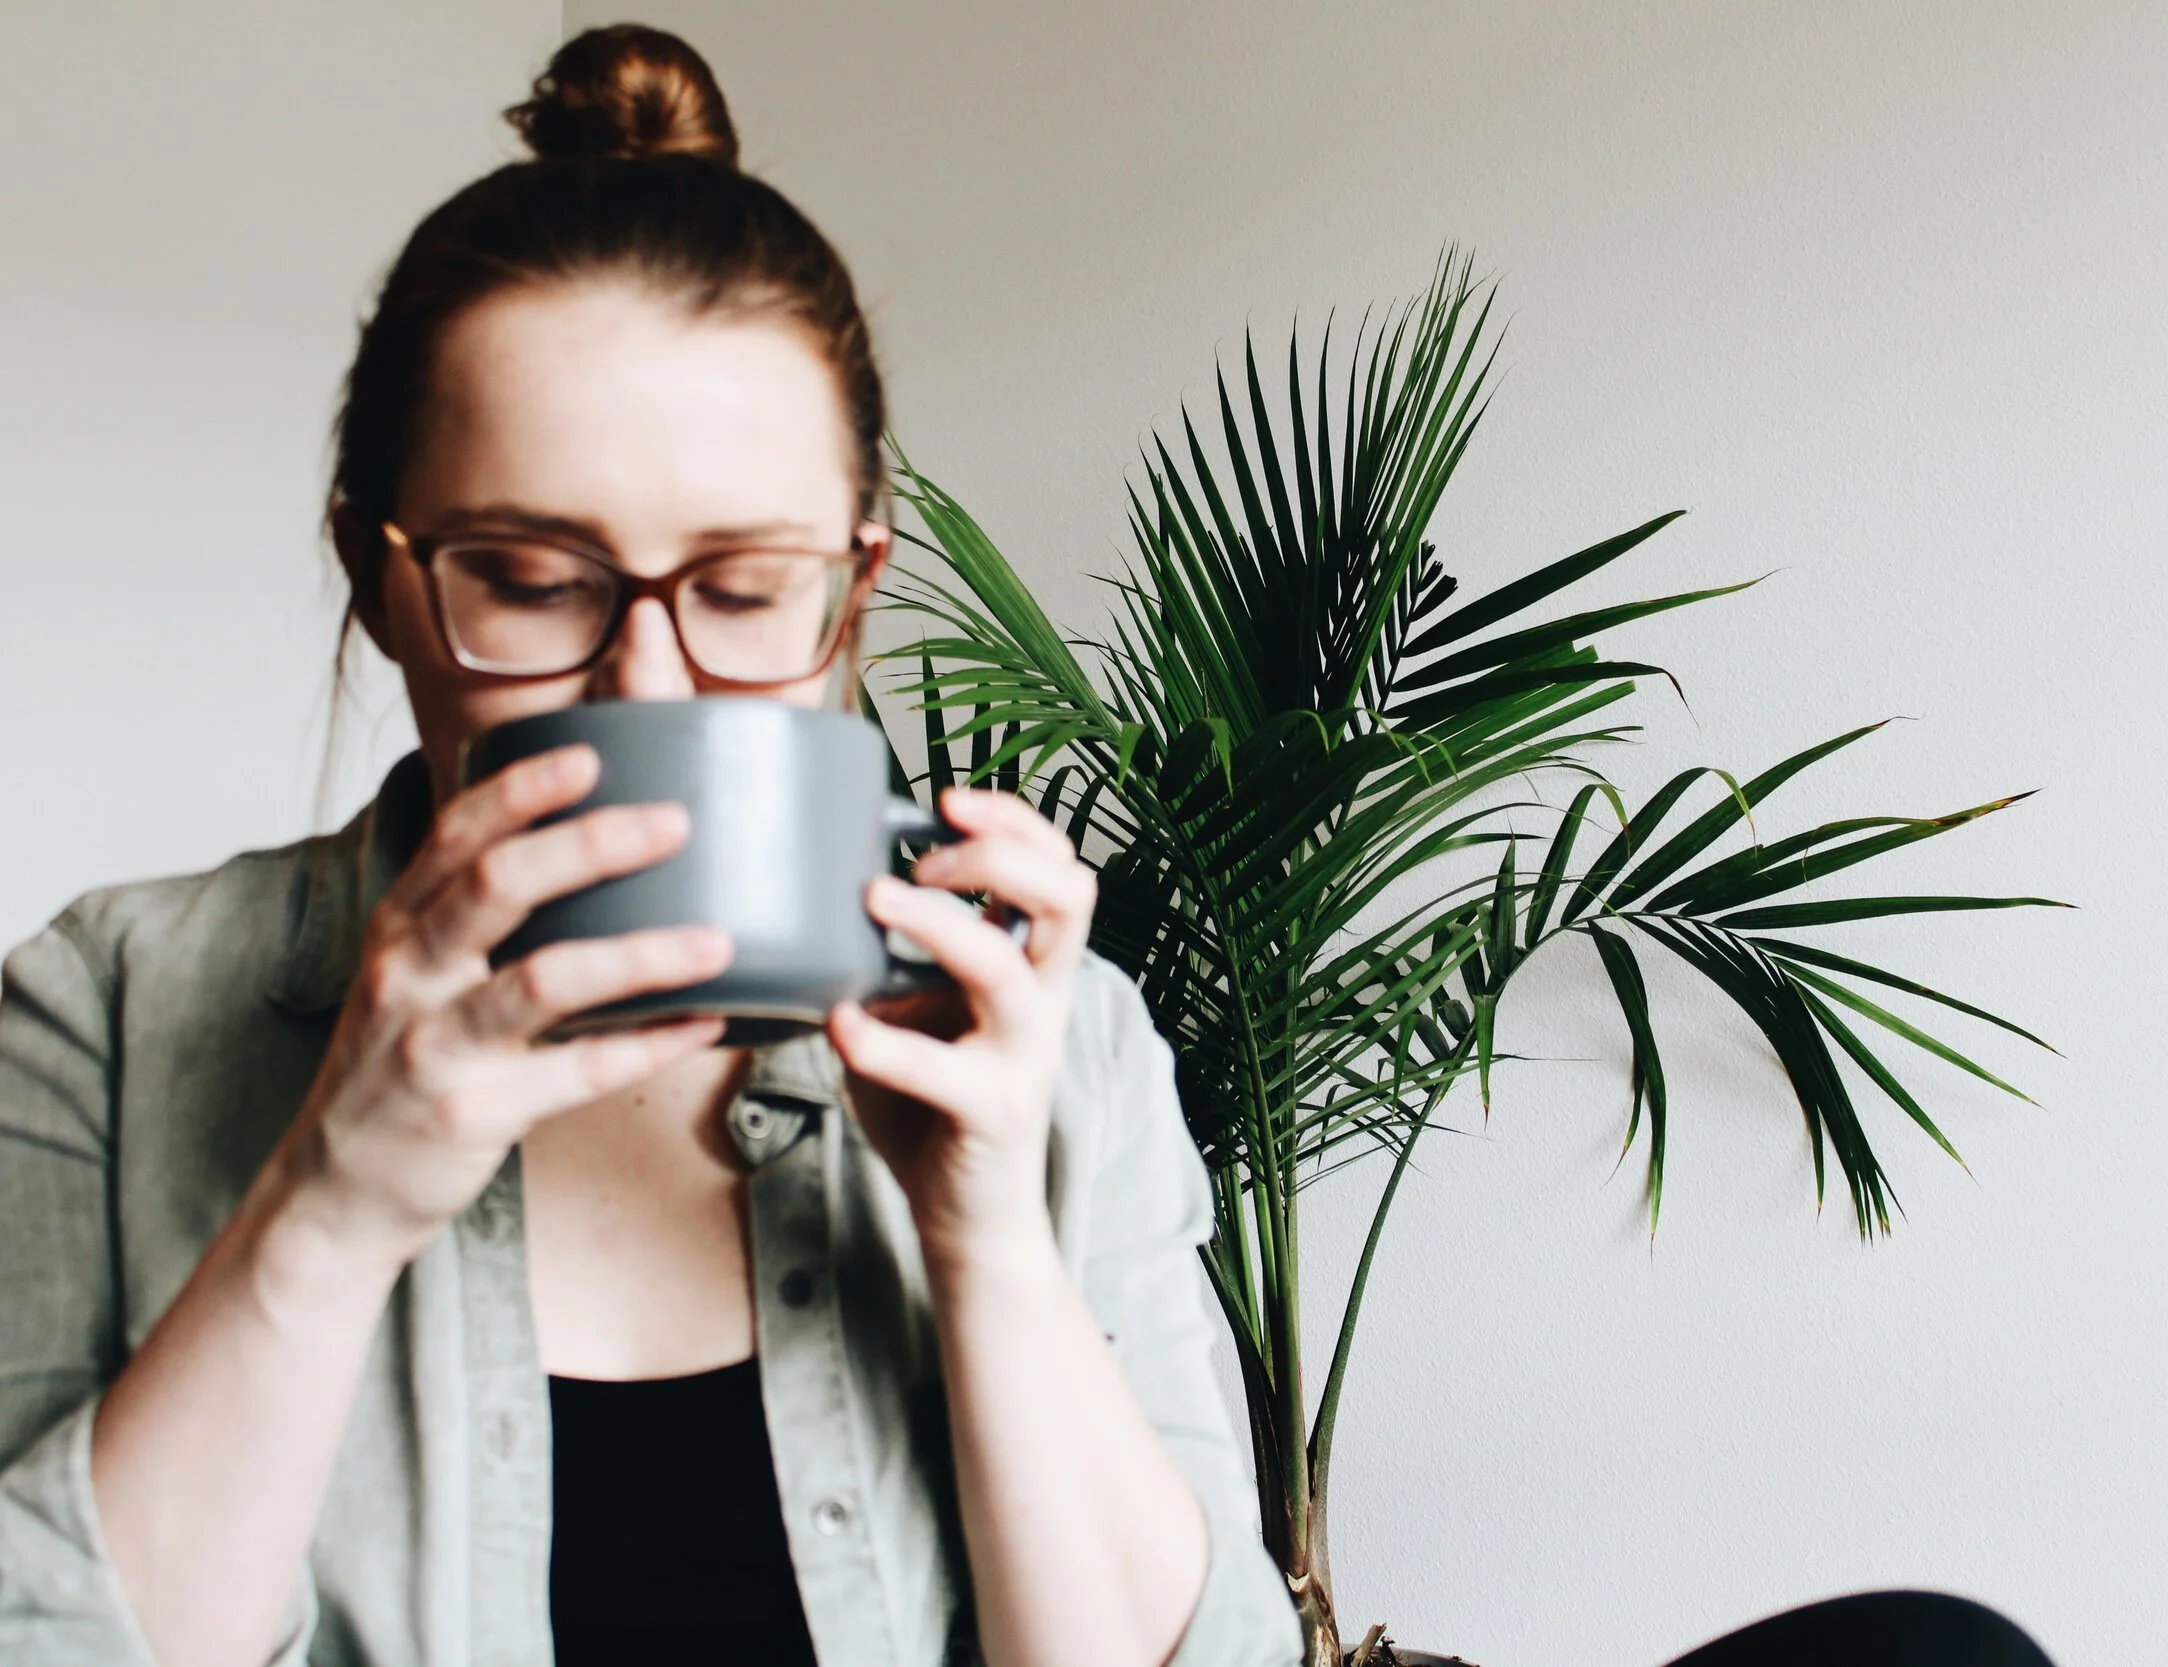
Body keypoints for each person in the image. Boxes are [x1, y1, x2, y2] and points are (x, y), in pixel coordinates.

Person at [0, 24, 1301, 1667]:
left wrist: (987, 1243)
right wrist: (331, 1205)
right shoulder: (106, 1016)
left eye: (747, 589)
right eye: (532, 581)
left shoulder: (1057, 1040)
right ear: (378, 575)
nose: (648, 679)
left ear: (856, 584)